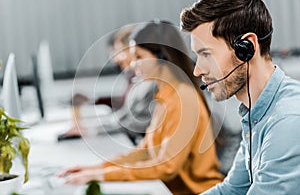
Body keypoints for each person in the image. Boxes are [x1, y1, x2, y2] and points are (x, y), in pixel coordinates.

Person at [58, 20, 224, 194]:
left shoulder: (183, 98)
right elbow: (145, 152)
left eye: (139, 57)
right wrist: (95, 170)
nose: (132, 64)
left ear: (162, 58)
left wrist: (102, 176)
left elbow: (166, 167)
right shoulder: (165, 95)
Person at [180, 0, 300, 194]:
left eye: (206, 54)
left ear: (246, 47)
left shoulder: (289, 120)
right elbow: (231, 190)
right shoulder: (257, 112)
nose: (197, 70)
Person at [58, 25, 157, 145]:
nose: (116, 59)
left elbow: (134, 120)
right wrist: (94, 102)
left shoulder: (151, 82)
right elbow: (127, 111)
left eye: (120, 51)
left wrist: (92, 129)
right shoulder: (137, 78)